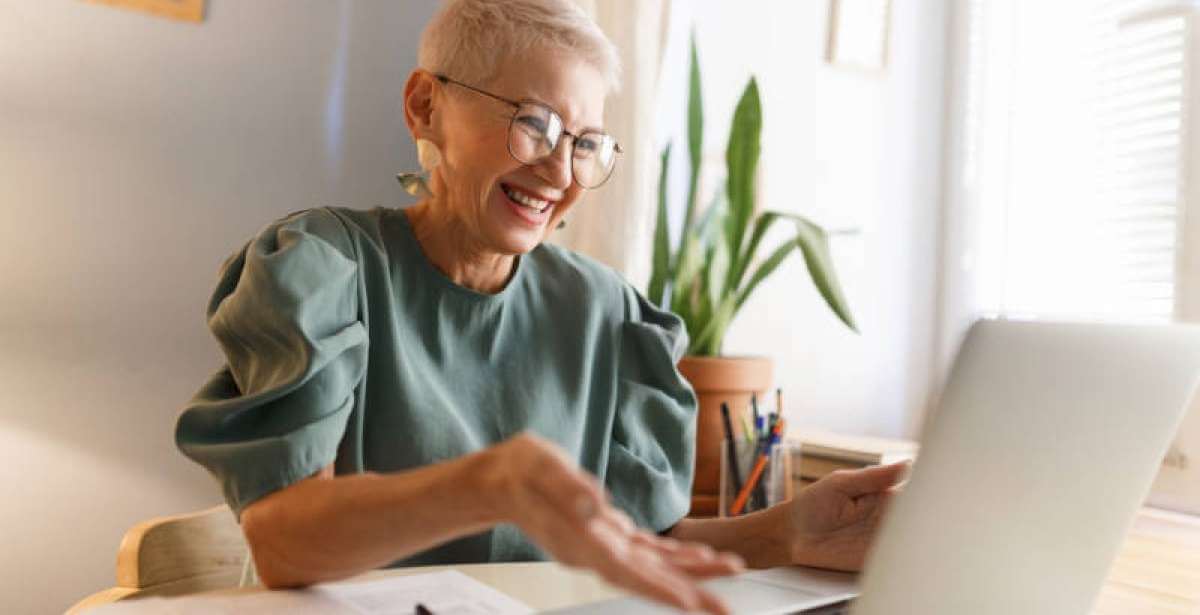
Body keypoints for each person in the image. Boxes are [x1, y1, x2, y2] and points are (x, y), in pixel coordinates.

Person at [175, 1, 907, 613]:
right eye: (533, 122)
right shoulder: (325, 267)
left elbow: (633, 547)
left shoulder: (606, 312)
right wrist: (491, 485)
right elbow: (282, 543)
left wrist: (787, 532)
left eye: (585, 142)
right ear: (425, 105)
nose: (560, 171)